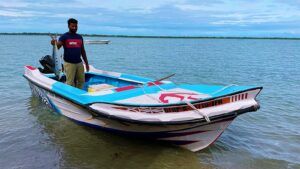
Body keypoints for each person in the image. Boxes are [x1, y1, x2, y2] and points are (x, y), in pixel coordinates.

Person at [51, 18, 89, 89]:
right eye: (72, 26)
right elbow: (58, 46)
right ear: (68, 26)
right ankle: (69, 95)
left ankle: (77, 94)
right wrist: (54, 44)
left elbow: (83, 51)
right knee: (70, 82)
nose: (74, 28)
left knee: (81, 80)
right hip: (69, 63)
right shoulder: (64, 36)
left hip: (79, 63)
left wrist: (86, 63)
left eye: (76, 26)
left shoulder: (79, 37)